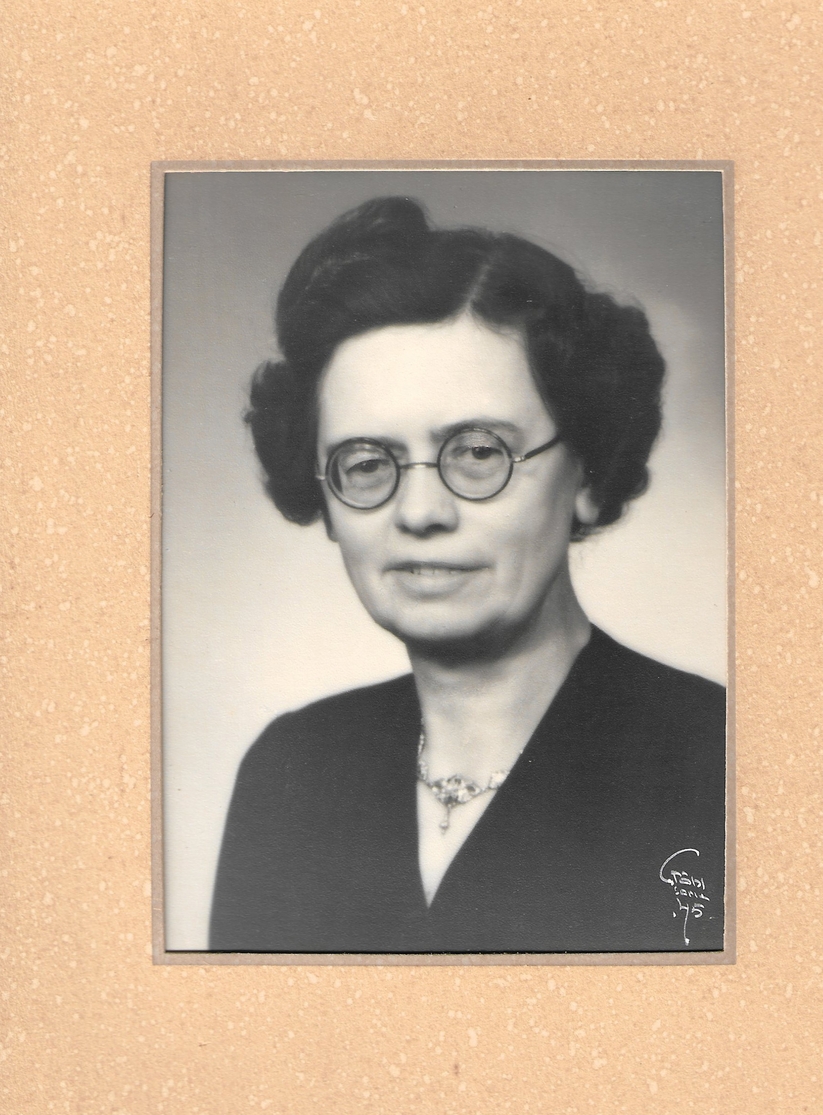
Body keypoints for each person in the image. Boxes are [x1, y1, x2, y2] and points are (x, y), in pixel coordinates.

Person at [209, 196, 726, 954]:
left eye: (479, 453)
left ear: (587, 471)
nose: (421, 512)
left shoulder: (724, 762)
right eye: (366, 462)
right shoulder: (292, 772)